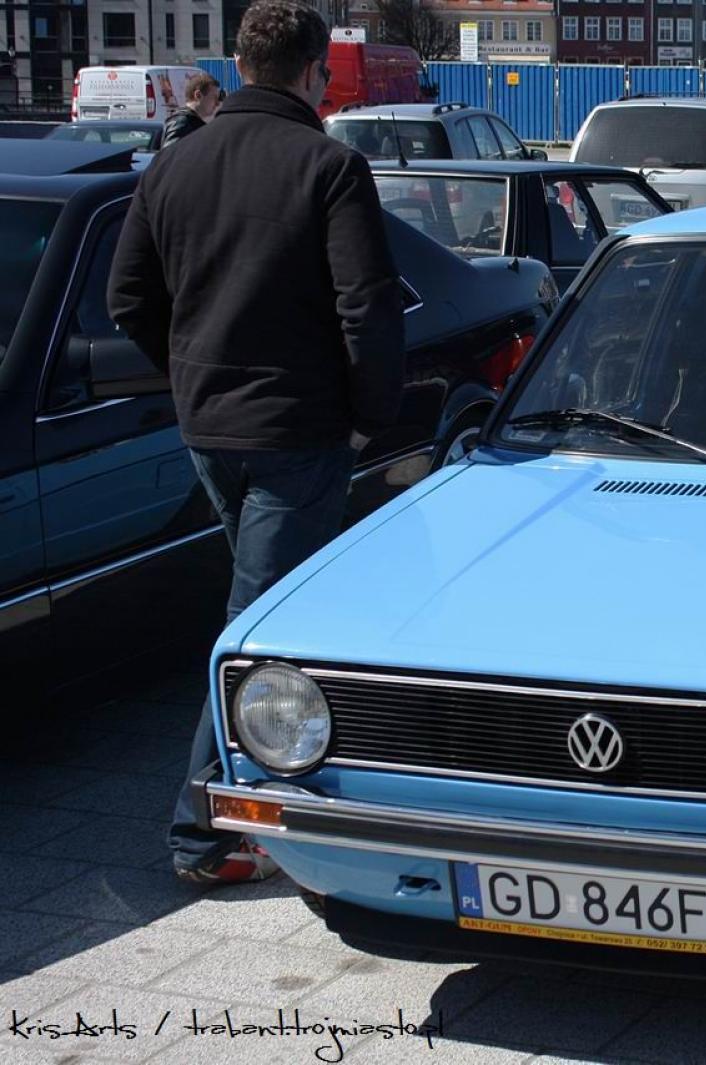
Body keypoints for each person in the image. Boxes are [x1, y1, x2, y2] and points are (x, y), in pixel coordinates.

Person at [108, 0, 405, 886]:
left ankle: (275, 782)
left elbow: (129, 298)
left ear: (238, 66)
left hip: (208, 424)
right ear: (314, 74)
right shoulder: (330, 166)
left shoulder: (174, 163)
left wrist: (188, 370)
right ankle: (201, 834)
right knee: (255, 628)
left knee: (264, 609)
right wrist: (369, 414)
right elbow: (367, 306)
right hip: (296, 427)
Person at [162, 72, 222, 147]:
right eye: (214, 97)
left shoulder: (194, 122)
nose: (217, 103)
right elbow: (171, 153)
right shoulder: (182, 123)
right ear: (198, 95)